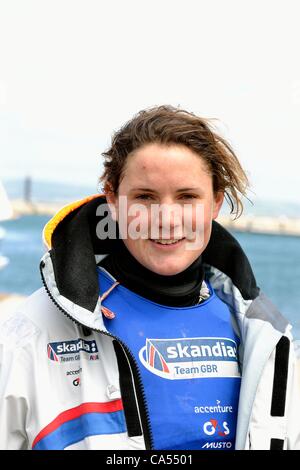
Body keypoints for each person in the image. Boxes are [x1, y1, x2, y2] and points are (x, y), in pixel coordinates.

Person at [0, 105, 299, 450]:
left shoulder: (265, 336)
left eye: (187, 197)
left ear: (215, 203)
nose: (168, 219)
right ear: (113, 199)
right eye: (145, 197)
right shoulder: (34, 331)